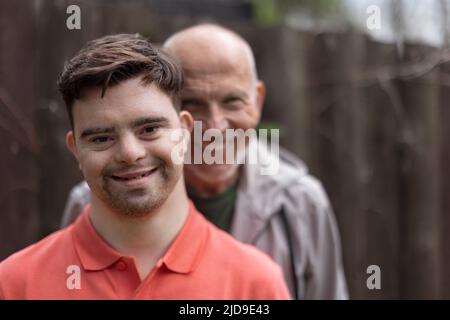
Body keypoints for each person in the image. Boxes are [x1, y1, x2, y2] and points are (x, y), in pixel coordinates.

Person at [61, 24, 349, 300]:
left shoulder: (301, 203)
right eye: (193, 103)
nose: (214, 126)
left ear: (257, 101)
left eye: (232, 101)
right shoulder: (95, 201)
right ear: (171, 112)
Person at [0, 33, 291, 300]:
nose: (130, 153)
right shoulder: (15, 285)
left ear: (185, 132)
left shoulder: (255, 285)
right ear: (75, 149)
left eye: (150, 129)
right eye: (102, 137)